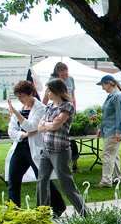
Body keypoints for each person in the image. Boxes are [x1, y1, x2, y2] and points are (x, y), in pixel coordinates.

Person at [5, 80, 66, 217]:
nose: (20, 100)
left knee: (43, 179)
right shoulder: (20, 110)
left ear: (31, 93)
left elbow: (32, 126)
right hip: (20, 148)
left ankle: (59, 205)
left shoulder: (40, 108)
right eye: (18, 97)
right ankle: (13, 212)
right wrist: (24, 135)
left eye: (22, 96)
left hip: (35, 149)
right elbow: (12, 131)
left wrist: (15, 113)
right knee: (13, 179)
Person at [36, 79, 86, 216]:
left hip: (60, 150)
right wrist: (48, 123)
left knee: (66, 184)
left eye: (49, 91)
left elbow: (54, 126)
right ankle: (41, 215)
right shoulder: (50, 106)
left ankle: (83, 213)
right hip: (47, 149)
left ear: (56, 91)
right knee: (42, 181)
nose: (47, 93)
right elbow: (40, 127)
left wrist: (47, 124)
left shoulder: (67, 106)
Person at [44, 62, 80, 172]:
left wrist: (75, 108)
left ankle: (74, 163)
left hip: (67, 109)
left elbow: (73, 95)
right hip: (57, 109)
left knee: (69, 137)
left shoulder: (71, 80)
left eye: (66, 74)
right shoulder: (52, 81)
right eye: (62, 75)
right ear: (57, 74)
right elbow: (46, 98)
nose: (65, 77)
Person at [94, 75, 121, 188]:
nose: (103, 88)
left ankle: (106, 181)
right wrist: (101, 128)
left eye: (103, 85)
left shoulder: (117, 97)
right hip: (108, 129)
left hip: (113, 131)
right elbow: (107, 116)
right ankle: (118, 178)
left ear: (108, 83)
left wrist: (119, 131)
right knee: (114, 155)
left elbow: (120, 115)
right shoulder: (112, 96)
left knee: (107, 155)